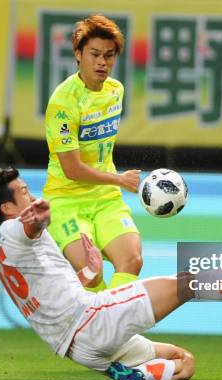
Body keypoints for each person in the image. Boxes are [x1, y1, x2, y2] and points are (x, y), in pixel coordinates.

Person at [0, 167, 196, 380]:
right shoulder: (13, 229)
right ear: (6, 207)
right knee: (188, 283)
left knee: (184, 361)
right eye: (24, 192)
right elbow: (32, 225)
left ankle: (136, 375)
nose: (32, 196)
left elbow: (49, 293)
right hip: (91, 321)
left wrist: (89, 272)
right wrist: (41, 215)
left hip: (78, 349)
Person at [43, 14, 142, 292]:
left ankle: (114, 327)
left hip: (105, 199)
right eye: (95, 54)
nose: (102, 62)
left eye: (109, 56)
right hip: (66, 201)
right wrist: (120, 180)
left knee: (132, 260)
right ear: (78, 54)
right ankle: (100, 329)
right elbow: (72, 169)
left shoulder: (115, 90)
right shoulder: (63, 102)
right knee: (92, 273)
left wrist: (114, 184)